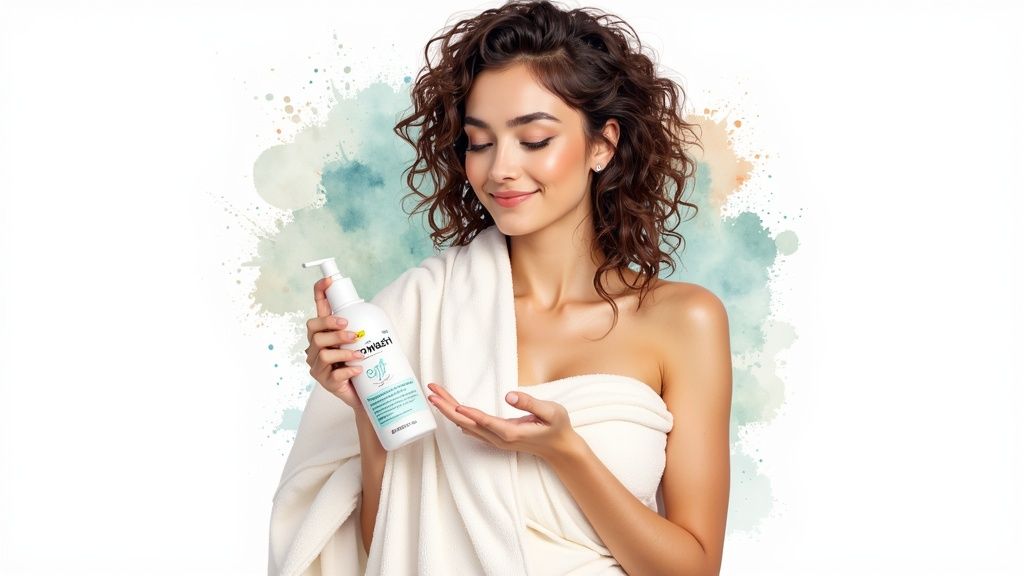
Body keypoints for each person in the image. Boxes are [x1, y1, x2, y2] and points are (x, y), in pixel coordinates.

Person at [299, 1, 732, 574]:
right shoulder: (418, 309)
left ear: (601, 145)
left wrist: (565, 453)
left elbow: (694, 568)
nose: (499, 168)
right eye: (479, 142)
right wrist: (367, 415)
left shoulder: (684, 321)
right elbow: (390, 545)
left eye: (533, 140)